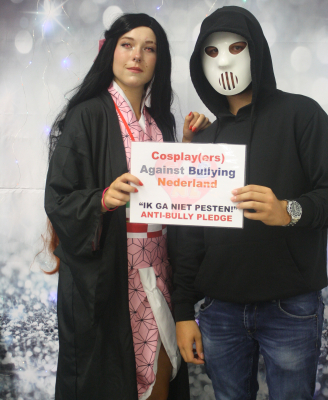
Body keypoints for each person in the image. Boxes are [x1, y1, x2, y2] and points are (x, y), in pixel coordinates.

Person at [173, 6, 328, 400]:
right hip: (219, 311)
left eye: (236, 47)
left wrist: (289, 211)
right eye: (211, 51)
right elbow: (188, 234)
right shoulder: (203, 140)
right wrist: (183, 312)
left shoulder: (302, 115)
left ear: (256, 49)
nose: (224, 61)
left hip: (289, 307)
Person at [44, 13, 210, 400]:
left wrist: (188, 148)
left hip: (157, 273)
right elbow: (58, 198)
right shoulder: (87, 115)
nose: (137, 55)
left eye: (149, 48)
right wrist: (102, 199)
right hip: (110, 278)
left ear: (159, 60)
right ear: (110, 52)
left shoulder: (160, 122)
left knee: (161, 379)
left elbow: (173, 198)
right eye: (127, 45)